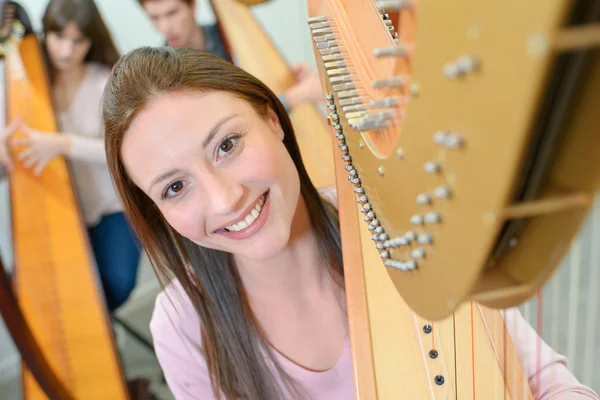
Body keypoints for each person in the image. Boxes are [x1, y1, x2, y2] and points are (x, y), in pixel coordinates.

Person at [101, 46, 599, 400]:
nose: (225, 198)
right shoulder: (182, 326)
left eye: (227, 145)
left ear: (273, 119)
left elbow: (544, 379)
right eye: (174, 187)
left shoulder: (401, 227)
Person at [0, 0, 140, 314]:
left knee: (116, 282)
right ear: (43, 35)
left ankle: (94, 341)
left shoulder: (106, 81)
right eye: (58, 37)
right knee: (28, 294)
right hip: (56, 211)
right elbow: (13, 165)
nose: (66, 50)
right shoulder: (26, 87)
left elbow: (125, 152)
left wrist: (63, 143)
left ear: (92, 41)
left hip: (111, 209)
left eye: (78, 40)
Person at [137, 0, 325, 113]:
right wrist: (295, 97)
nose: (165, 27)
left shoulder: (228, 34)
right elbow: (230, 119)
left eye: (172, 13)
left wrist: (287, 79)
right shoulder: (165, 71)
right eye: (154, 17)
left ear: (193, 6)